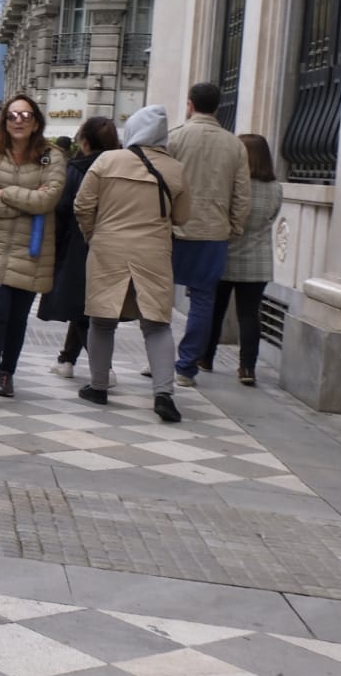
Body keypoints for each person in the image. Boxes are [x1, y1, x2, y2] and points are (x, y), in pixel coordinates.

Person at [74, 104, 192, 422]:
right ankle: (164, 394)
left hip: (107, 249)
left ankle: (99, 386)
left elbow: (82, 205)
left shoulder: (108, 160)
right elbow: (182, 217)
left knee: (102, 320)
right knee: (156, 324)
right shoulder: (176, 169)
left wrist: (94, 236)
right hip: (154, 252)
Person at [0, 94, 65, 408]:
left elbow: (49, 199)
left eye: (25, 115)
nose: (18, 121)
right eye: (12, 115)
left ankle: (6, 372)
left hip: (32, 250)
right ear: (4, 122)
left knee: (17, 318)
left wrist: (6, 192)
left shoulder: (51, 157)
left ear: (36, 121)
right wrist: (26, 203)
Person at [167, 82, 251, 387]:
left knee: (159, 295)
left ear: (190, 104)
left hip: (174, 230)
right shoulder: (235, 145)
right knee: (203, 301)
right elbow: (242, 194)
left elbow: (162, 182)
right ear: (218, 107)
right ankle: (186, 367)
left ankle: (158, 357)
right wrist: (234, 227)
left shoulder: (174, 137)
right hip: (214, 233)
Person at [38, 116, 120, 379]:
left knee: (83, 308)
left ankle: (103, 368)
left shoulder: (74, 170)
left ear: (84, 142)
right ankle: (66, 359)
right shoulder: (121, 169)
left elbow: (62, 210)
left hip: (77, 246)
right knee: (86, 305)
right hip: (112, 247)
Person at [200, 133, 281, 386]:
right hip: (258, 261)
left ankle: (206, 358)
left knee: (216, 310)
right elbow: (271, 218)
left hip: (226, 255)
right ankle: (247, 368)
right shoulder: (276, 188)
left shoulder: (232, 185)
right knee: (249, 315)